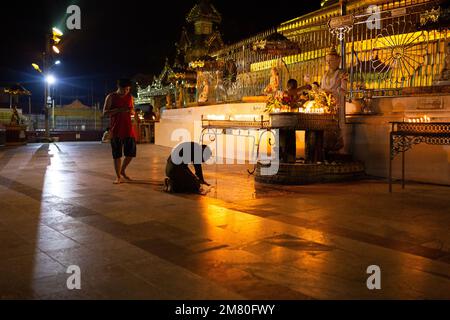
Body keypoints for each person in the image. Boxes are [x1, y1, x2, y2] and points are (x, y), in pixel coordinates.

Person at [103, 78, 137, 184]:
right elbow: (105, 113)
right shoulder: (111, 97)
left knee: (131, 153)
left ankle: (122, 170)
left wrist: (131, 111)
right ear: (119, 87)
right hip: (116, 129)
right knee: (117, 155)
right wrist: (119, 110)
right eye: (124, 89)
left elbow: (133, 111)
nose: (126, 91)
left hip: (128, 129)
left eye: (128, 89)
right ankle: (118, 176)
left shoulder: (130, 97)